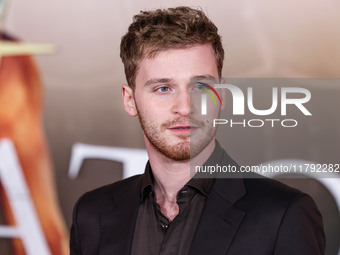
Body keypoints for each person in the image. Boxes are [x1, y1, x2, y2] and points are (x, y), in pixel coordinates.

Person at [70, 6, 325, 255]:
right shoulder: (92, 214)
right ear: (129, 100)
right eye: (163, 88)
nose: (184, 107)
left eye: (201, 87)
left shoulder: (284, 215)